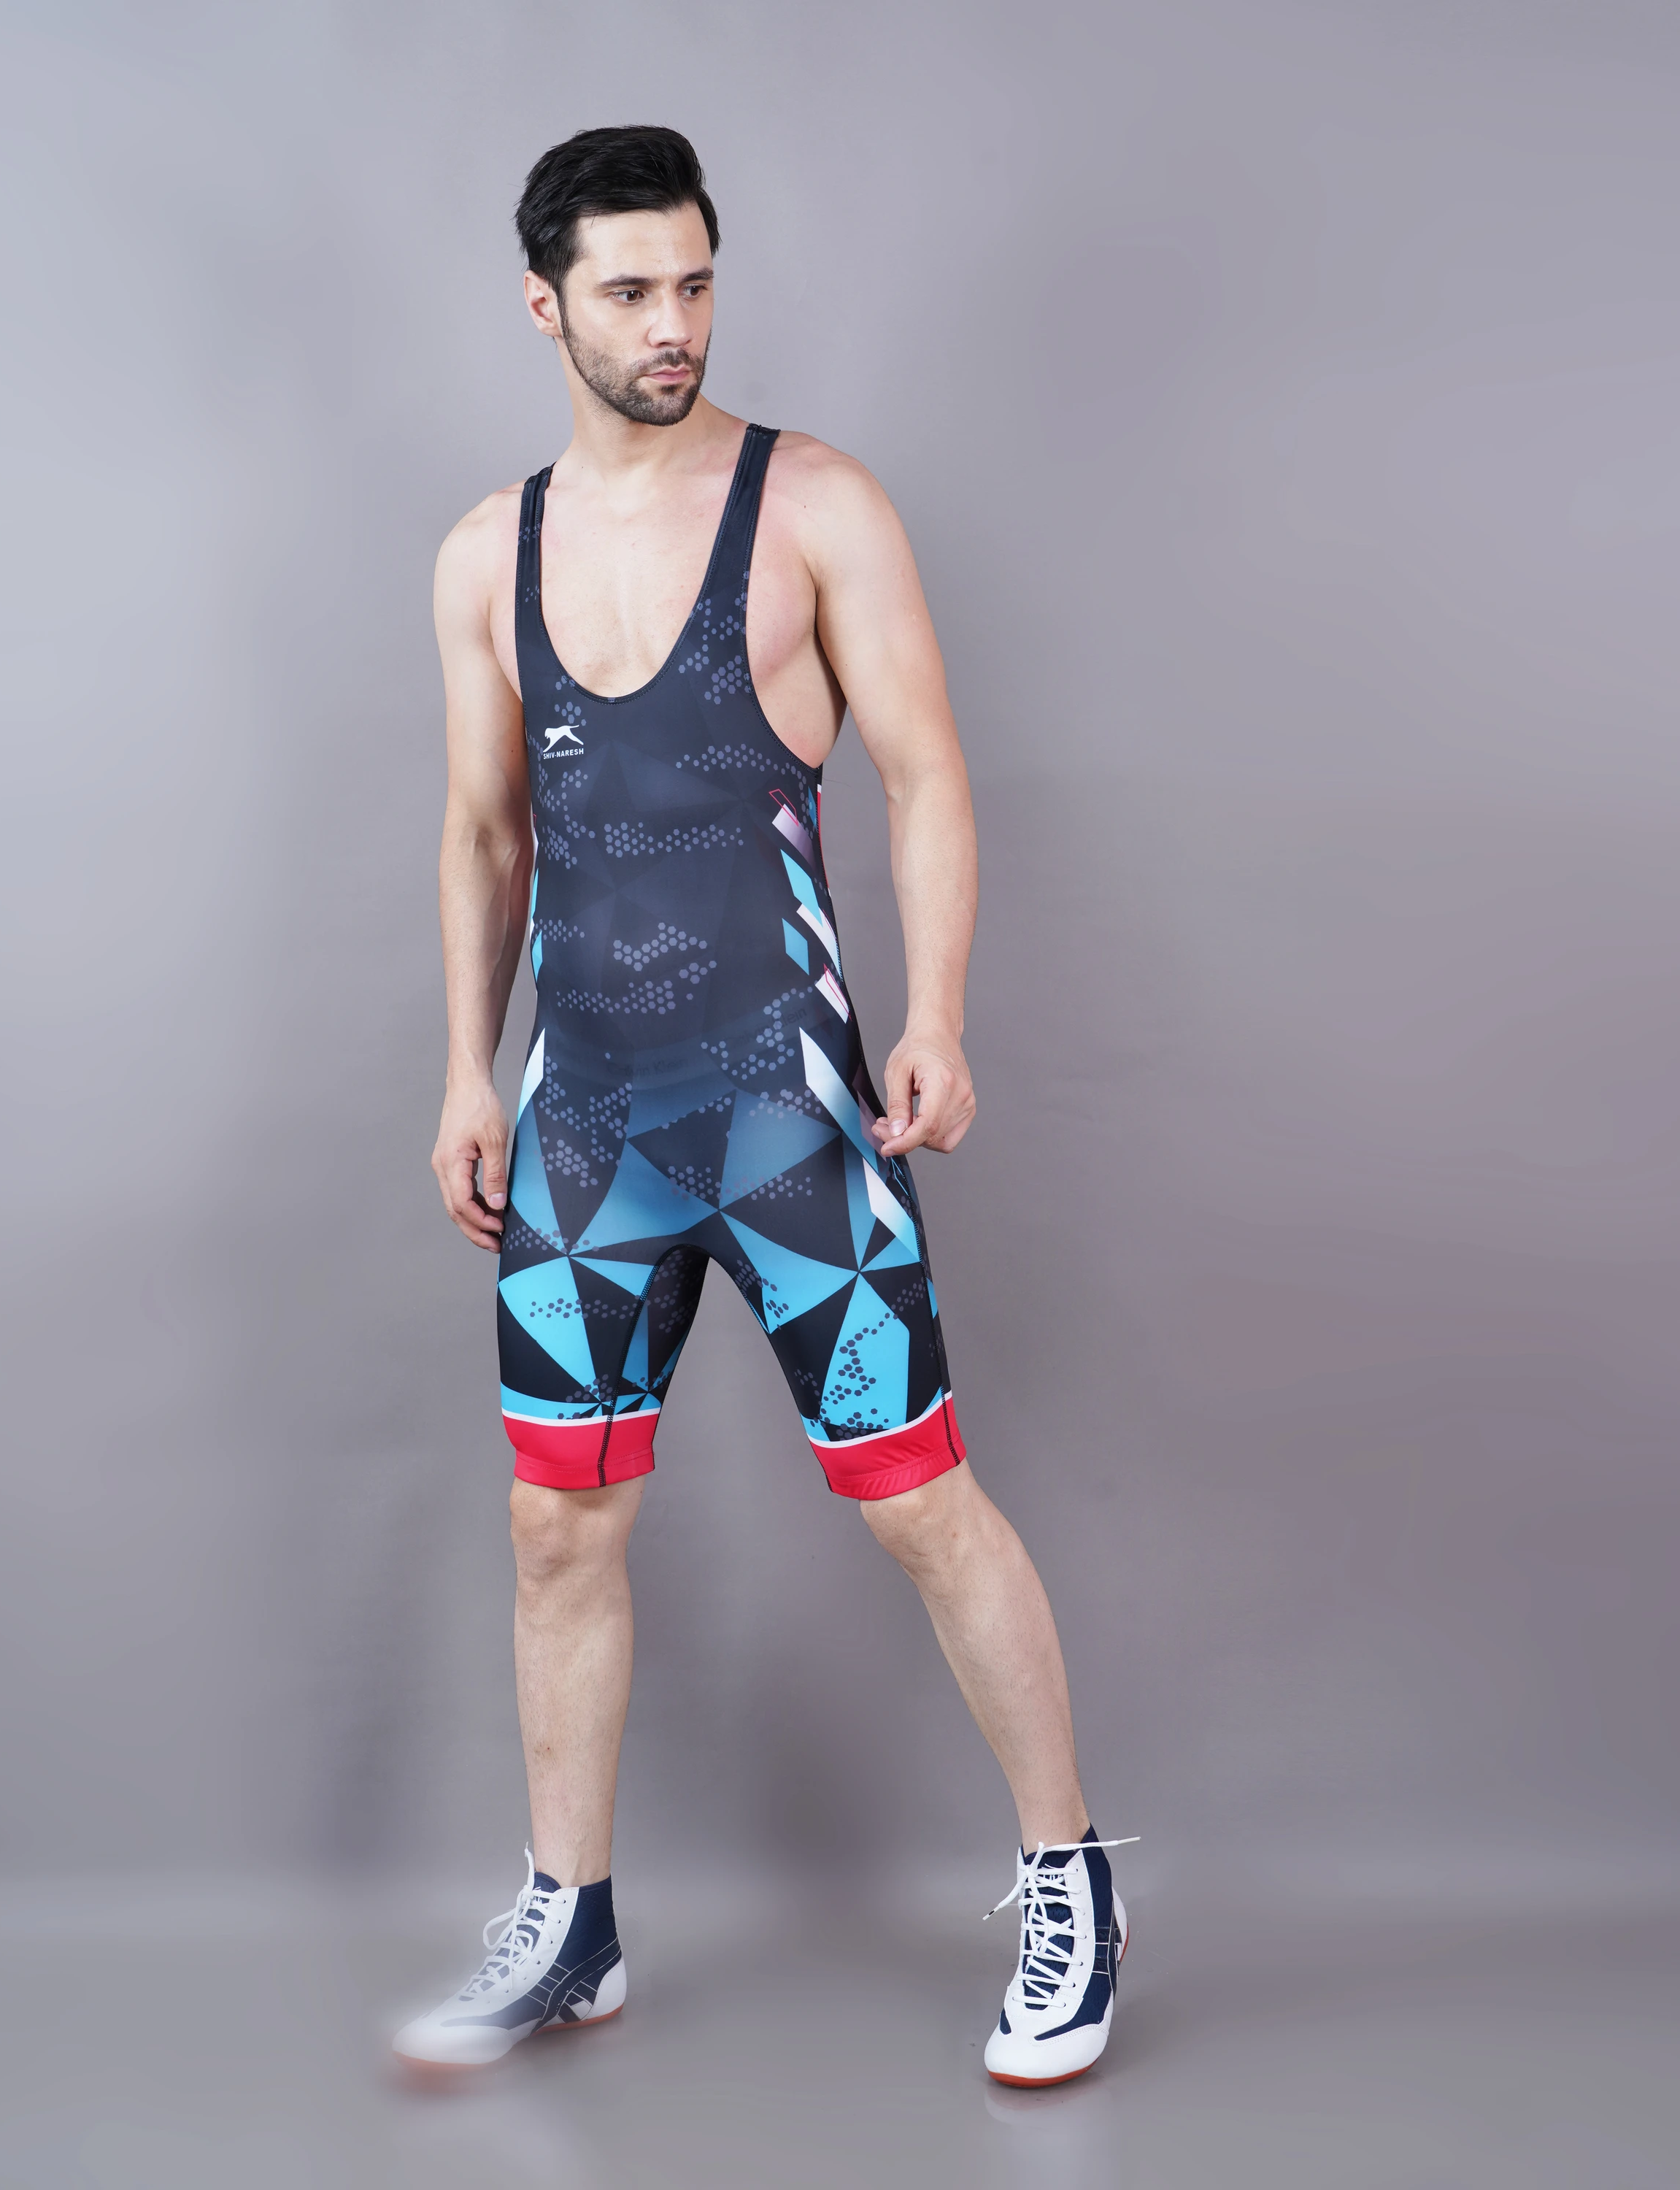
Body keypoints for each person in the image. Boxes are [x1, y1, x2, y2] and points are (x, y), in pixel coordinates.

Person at [392, 125, 1126, 2089]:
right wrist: (464, 1065)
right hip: (584, 1132)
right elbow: (483, 834)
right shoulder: (487, 553)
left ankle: (1070, 1879)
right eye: (631, 291)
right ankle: (573, 1919)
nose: (674, 325)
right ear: (544, 305)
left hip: (792, 1119)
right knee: (560, 1525)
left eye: (697, 283)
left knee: (920, 1503)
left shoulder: (816, 507)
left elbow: (929, 772)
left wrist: (940, 1014)